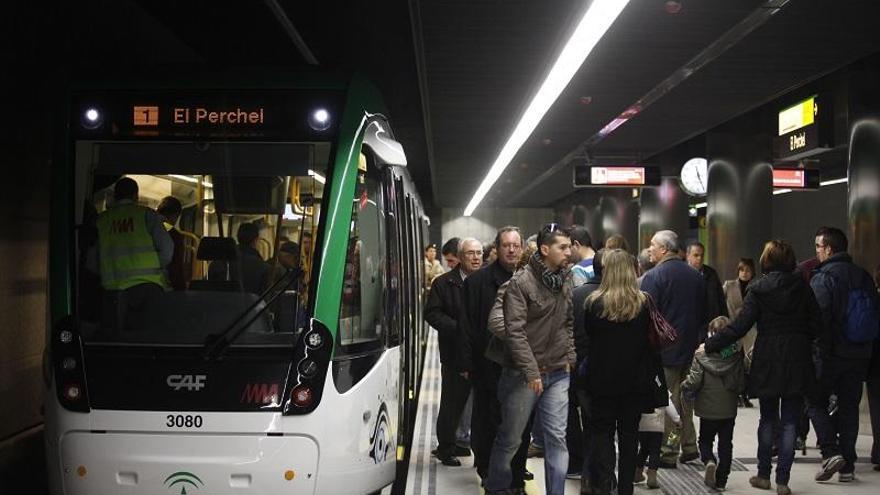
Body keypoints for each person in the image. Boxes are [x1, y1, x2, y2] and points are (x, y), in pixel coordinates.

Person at [704, 239, 820, 495]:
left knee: (768, 418)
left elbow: (740, 326)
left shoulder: (759, 289)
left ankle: (763, 475)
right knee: (790, 420)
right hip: (797, 357)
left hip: (768, 357)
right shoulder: (803, 287)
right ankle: (783, 480)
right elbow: (817, 324)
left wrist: (711, 344)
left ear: (766, 261)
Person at [484, 224, 575, 495]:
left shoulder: (568, 279)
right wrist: (532, 371)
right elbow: (514, 331)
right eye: (563, 247)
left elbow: (568, 323)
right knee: (511, 438)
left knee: (557, 439)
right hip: (523, 375)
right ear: (545, 250)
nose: (569, 251)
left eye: (570, 246)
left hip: (558, 371)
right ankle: (497, 487)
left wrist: (568, 356)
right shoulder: (520, 283)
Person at [579, 249, 660, 495]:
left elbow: (589, 339)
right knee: (629, 436)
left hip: (601, 381)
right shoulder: (643, 303)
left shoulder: (593, 303)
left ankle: (605, 486)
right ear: (631, 271)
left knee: (602, 435)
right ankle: (626, 489)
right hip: (634, 383)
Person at [458, 227, 531, 490]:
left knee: (521, 423)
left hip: (523, 367)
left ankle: (516, 474)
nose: (511, 250)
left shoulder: (532, 280)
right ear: (497, 249)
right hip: (487, 364)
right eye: (506, 245)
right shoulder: (477, 283)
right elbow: (465, 326)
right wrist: (466, 364)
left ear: (521, 248)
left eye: (515, 245)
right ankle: (489, 468)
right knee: (489, 419)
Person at [808, 226, 879, 482]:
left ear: (828, 248)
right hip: (860, 353)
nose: (816, 251)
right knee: (849, 407)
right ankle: (847, 467)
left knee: (814, 401)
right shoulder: (863, 276)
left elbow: (818, 319)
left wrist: (816, 349)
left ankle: (831, 451)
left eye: (818, 246)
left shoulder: (824, 277)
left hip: (830, 354)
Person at [640, 230, 706, 468]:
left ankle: (669, 451)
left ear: (664, 249)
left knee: (668, 404)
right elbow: (703, 314)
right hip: (691, 349)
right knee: (685, 401)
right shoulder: (696, 276)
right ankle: (690, 447)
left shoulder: (653, 277)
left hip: (664, 352)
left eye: (652, 245)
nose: (649, 249)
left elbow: (646, 317)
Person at [424, 237, 483, 466]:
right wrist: (458, 328)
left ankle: (479, 450)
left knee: (484, 405)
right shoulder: (443, 283)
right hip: (455, 353)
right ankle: (446, 448)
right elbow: (432, 314)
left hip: (483, 354)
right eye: (471, 253)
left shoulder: (488, 280)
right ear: (460, 256)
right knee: (452, 403)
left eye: (479, 253)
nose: (476, 257)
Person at [92, 177, 172, 331]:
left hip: (113, 292)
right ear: (136, 195)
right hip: (148, 288)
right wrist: (158, 268)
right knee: (148, 338)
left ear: (115, 196)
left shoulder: (101, 220)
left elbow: (92, 261)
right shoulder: (146, 215)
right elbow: (167, 249)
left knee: (117, 341)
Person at [682, 315, 745, 491]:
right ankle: (722, 479)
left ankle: (709, 460)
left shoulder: (701, 355)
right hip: (728, 409)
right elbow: (740, 384)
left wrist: (684, 386)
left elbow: (694, 381)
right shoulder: (735, 356)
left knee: (705, 439)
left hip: (707, 408)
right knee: (726, 443)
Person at [723, 258, 757, 407]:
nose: (744, 273)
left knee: (747, 364)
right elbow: (720, 305)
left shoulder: (756, 287)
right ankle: (734, 395)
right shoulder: (728, 286)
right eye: (742, 270)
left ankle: (744, 394)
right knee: (732, 361)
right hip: (732, 329)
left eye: (748, 270)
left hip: (749, 332)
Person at [686, 241, 728, 325]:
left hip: (710, 323)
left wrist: (724, 319)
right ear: (688, 256)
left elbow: (720, 299)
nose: (700, 258)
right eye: (696, 255)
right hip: (689, 324)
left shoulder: (711, 273)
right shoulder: (681, 274)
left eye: (702, 255)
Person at [157, 196, 187, 291]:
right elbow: (176, 269)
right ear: (176, 215)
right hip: (163, 288)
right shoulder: (173, 234)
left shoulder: (145, 226)